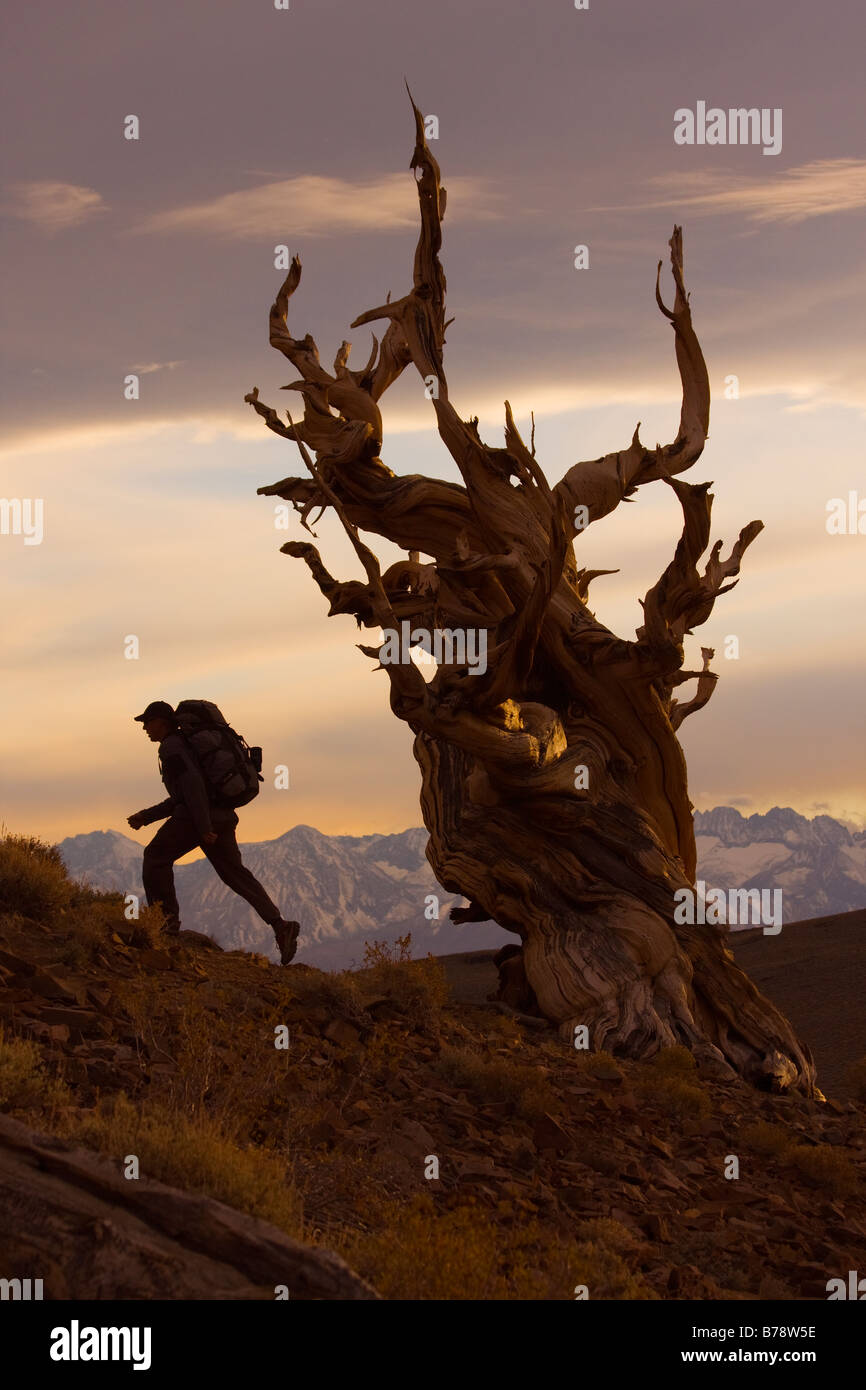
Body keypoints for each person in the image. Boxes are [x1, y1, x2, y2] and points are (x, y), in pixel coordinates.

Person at [126, 700, 300, 964]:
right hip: (222, 816)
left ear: (161, 722)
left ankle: (165, 925)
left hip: (197, 820)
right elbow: (186, 793)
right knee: (236, 874)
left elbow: (193, 788)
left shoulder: (172, 746)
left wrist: (204, 827)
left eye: (147, 723)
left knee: (155, 857)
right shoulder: (186, 745)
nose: (145, 729)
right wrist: (146, 817)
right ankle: (280, 926)